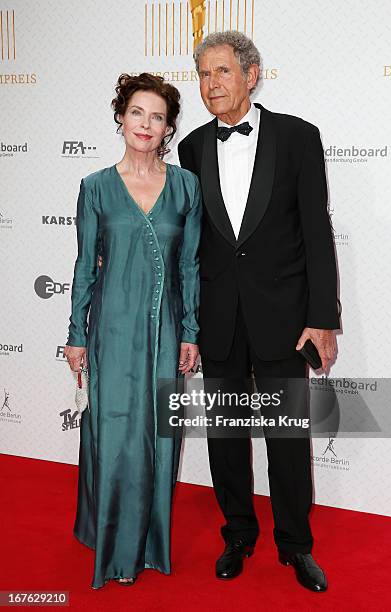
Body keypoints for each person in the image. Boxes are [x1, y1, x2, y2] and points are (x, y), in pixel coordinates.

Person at [178, 31, 339, 592]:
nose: (211, 84)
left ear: (251, 74)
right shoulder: (192, 147)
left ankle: (295, 546)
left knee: (287, 438)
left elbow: (318, 234)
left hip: (284, 315)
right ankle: (238, 534)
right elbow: (195, 243)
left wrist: (323, 317)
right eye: (202, 74)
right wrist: (187, 322)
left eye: (221, 71)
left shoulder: (298, 137)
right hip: (218, 314)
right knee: (224, 436)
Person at [64, 73, 201, 589]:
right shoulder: (95, 186)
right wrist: (77, 332)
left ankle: (149, 541)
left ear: (168, 128)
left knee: (159, 436)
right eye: (137, 112)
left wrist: (190, 331)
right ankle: (109, 539)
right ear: (121, 117)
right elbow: (84, 266)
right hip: (112, 330)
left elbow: (188, 267)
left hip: (166, 332)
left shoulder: (187, 185)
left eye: (158, 116)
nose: (146, 124)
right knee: (114, 432)